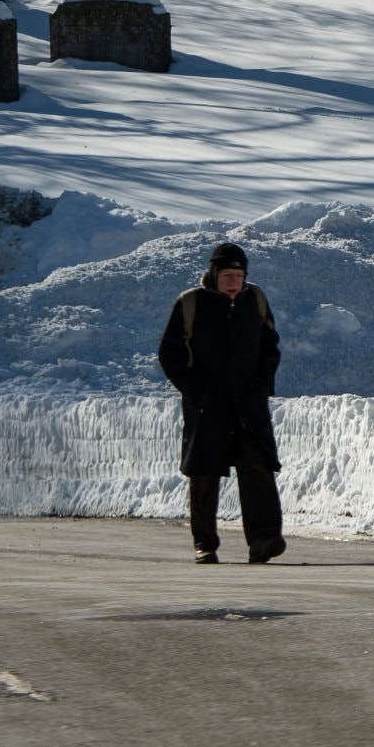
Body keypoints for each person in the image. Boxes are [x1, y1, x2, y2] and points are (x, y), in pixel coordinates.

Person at [156, 241, 285, 565]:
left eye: (239, 275)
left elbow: (271, 345)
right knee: (204, 474)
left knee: (257, 467)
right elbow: (170, 356)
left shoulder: (254, 300)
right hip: (208, 406)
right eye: (227, 274)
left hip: (248, 405)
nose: (234, 281)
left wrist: (261, 386)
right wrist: (198, 393)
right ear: (214, 275)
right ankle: (205, 544)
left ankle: (264, 540)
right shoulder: (191, 303)